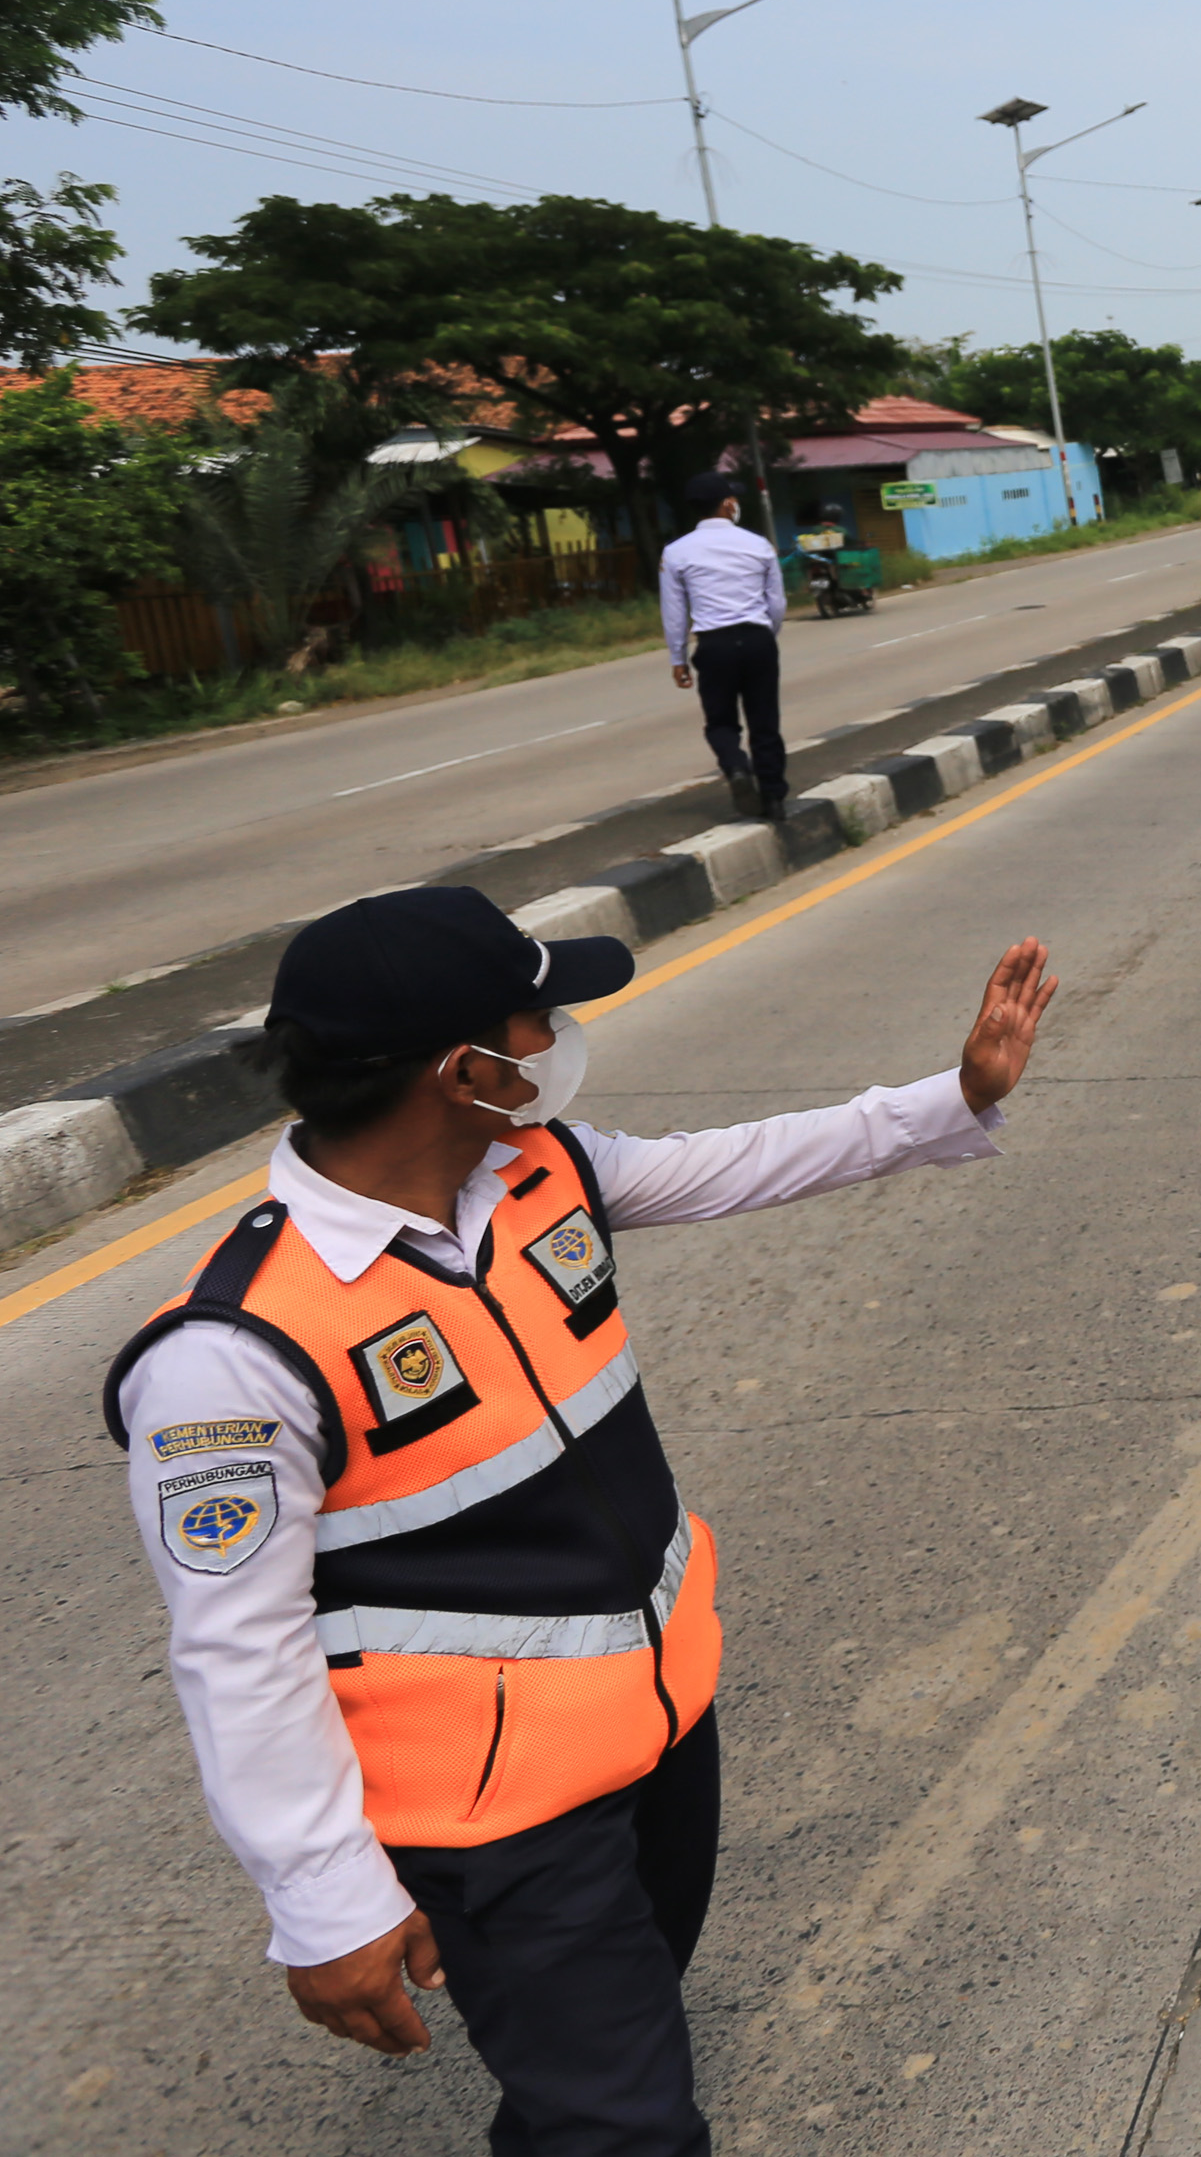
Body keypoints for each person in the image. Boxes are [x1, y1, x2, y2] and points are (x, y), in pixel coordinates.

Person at [106, 885, 1056, 2153]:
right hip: (498, 1824)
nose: (556, 1040)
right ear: (464, 1072)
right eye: (537, 1019)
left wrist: (957, 1096)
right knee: (626, 2127)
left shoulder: (540, 1173)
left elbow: (740, 1162)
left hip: (657, 1735)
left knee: (598, 2076)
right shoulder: (232, 1355)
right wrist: (324, 1902)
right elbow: (238, 1653)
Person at [660, 471, 789, 817]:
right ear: (728, 504)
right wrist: (767, 636)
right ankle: (774, 798)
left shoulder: (675, 552)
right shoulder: (759, 544)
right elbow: (776, 603)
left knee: (720, 721)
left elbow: (674, 613)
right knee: (765, 721)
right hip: (758, 639)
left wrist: (678, 659)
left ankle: (735, 767)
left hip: (714, 644)